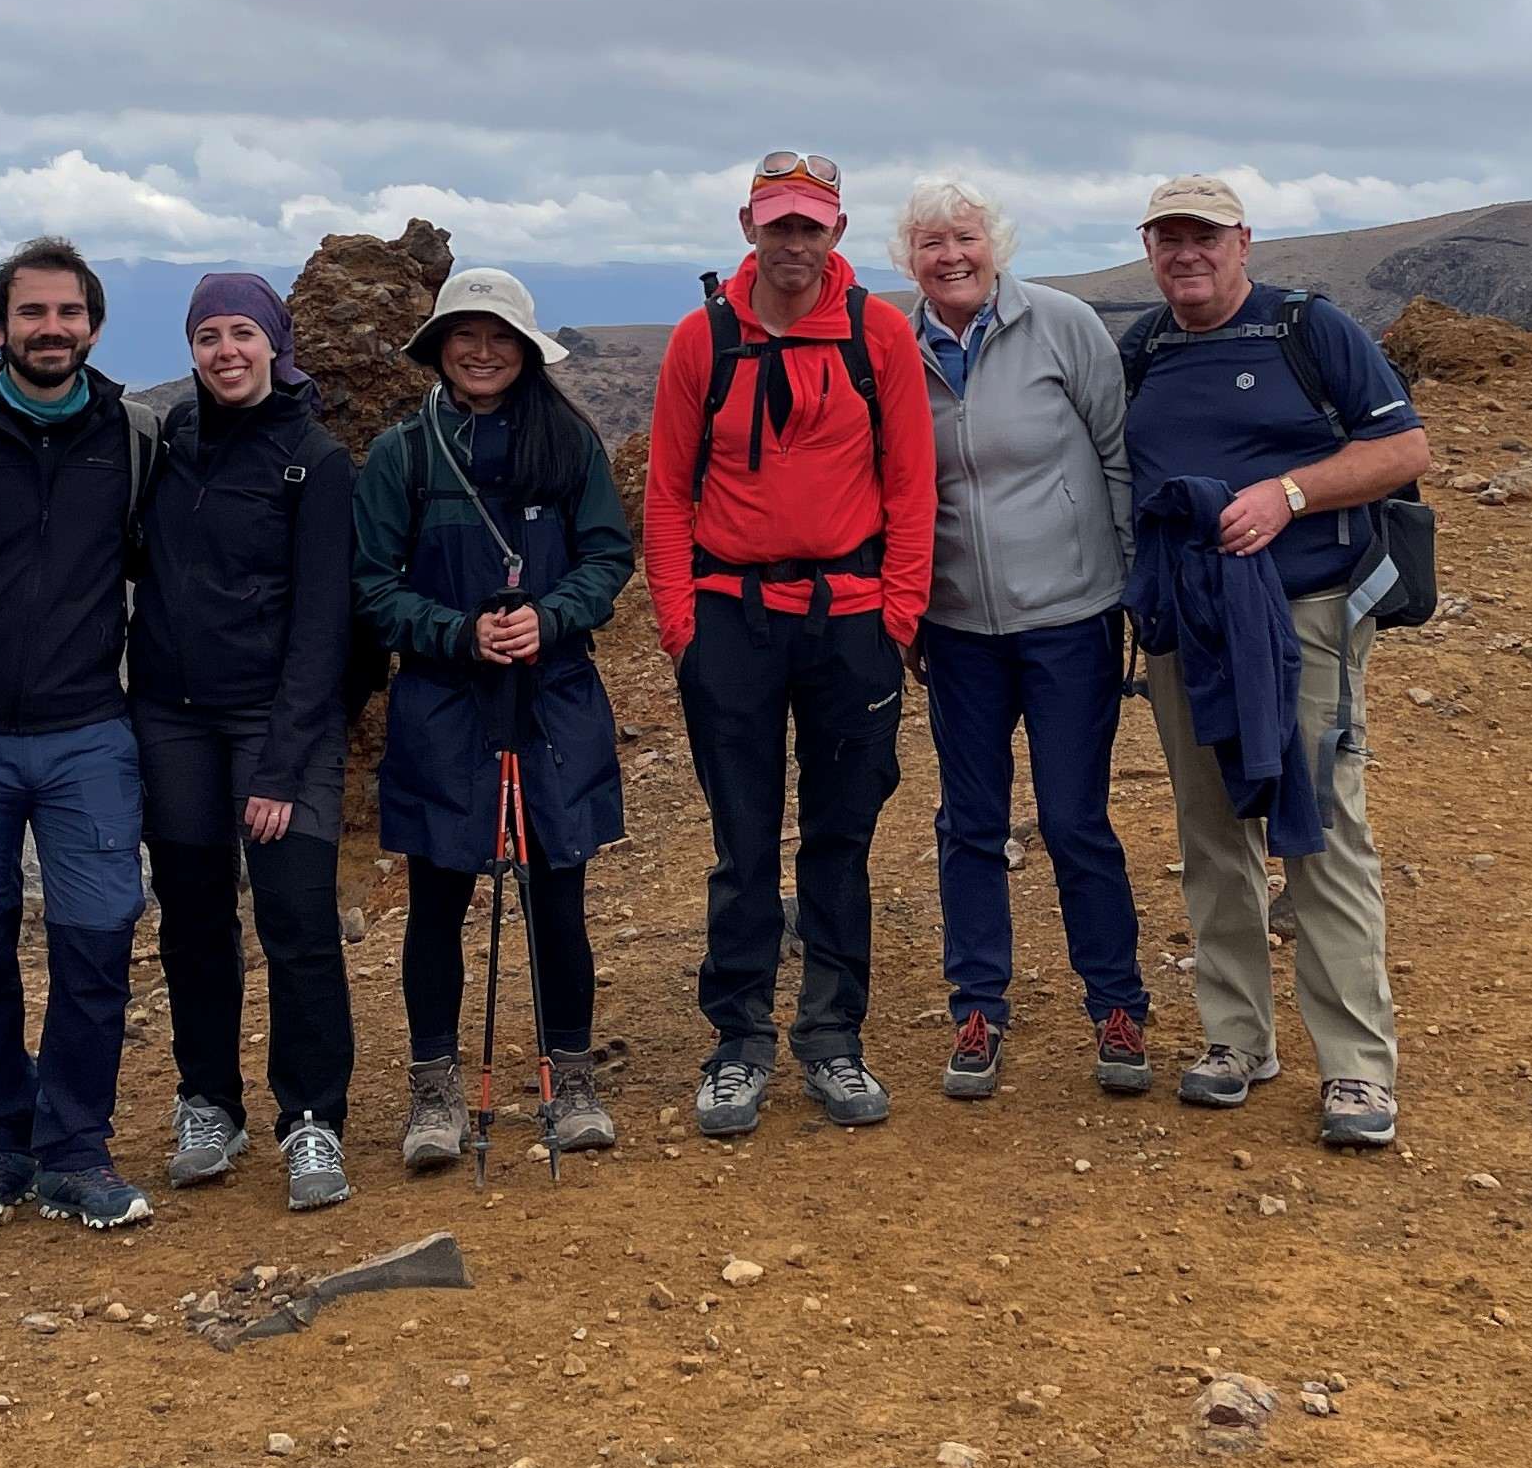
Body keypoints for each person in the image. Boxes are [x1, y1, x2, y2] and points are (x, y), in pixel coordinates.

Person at [1116, 174, 1432, 1151]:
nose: (1187, 255)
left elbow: (1405, 448)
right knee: (1212, 826)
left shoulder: (1307, 328)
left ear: (1242, 241)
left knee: (1321, 824)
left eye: (1205, 237)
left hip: (1306, 614)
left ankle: (1356, 1069)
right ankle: (1235, 1039)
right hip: (1191, 619)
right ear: (1151, 248)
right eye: (1169, 239)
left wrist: (1288, 495)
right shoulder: (1146, 350)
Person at [641, 152, 936, 1136]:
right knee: (741, 842)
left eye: (812, 226)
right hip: (731, 622)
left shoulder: (877, 335)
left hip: (850, 620)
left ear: (837, 233)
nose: (795, 243)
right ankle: (738, 1040)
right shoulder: (702, 340)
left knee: (841, 837)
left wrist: (897, 616)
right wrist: (681, 626)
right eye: (779, 225)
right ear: (748, 227)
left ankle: (832, 1037)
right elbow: (667, 491)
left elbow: (911, 485)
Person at [0, 238, 163, 1244]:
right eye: (32, 314)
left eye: (68, 313)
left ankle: (76, 1150)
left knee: (96, 947)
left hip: (88, 736)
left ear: (93, 326)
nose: (50, 329)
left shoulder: (136, 442)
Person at [353, 267, 638, 1169]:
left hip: (551, 697)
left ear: (524, 350)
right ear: (439, 348)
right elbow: (371, 586)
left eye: (499, 337)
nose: (481, 352)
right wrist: (458, 632)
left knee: (560, 889)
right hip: (443, 702)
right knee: (438, 895)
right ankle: (433, 1090)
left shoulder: (570, 446)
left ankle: (573, 1075)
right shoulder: (401, 454)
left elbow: (606, 557)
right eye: (464, 336)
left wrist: (547, 618)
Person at [896, 177, 1150, 1101]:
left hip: (1071, 617)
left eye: (963, 236)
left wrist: (1129, 587)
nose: (949, 254)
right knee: (969, 823)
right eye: (930, 242)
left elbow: (1117, 454)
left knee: (1075, 818)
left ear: (993, 242)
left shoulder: (1062, 324)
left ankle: (1117, 1006)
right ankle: (978, 1007)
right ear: (907, 259)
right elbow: (889, 483)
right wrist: (906, 605)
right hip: (957, 625)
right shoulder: (896, 345)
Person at [132, 274, 360, 1212]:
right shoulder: (168, 446)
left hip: (278, 726)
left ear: (276, 342)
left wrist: (281, 765)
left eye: (242, 334)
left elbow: (324, 629)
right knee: (192, 922)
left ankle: (311, 1121)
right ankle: (207, 1103)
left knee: (297, 922)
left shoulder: (314, 460)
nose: (226, 351)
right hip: (173, 719)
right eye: (208, 336)